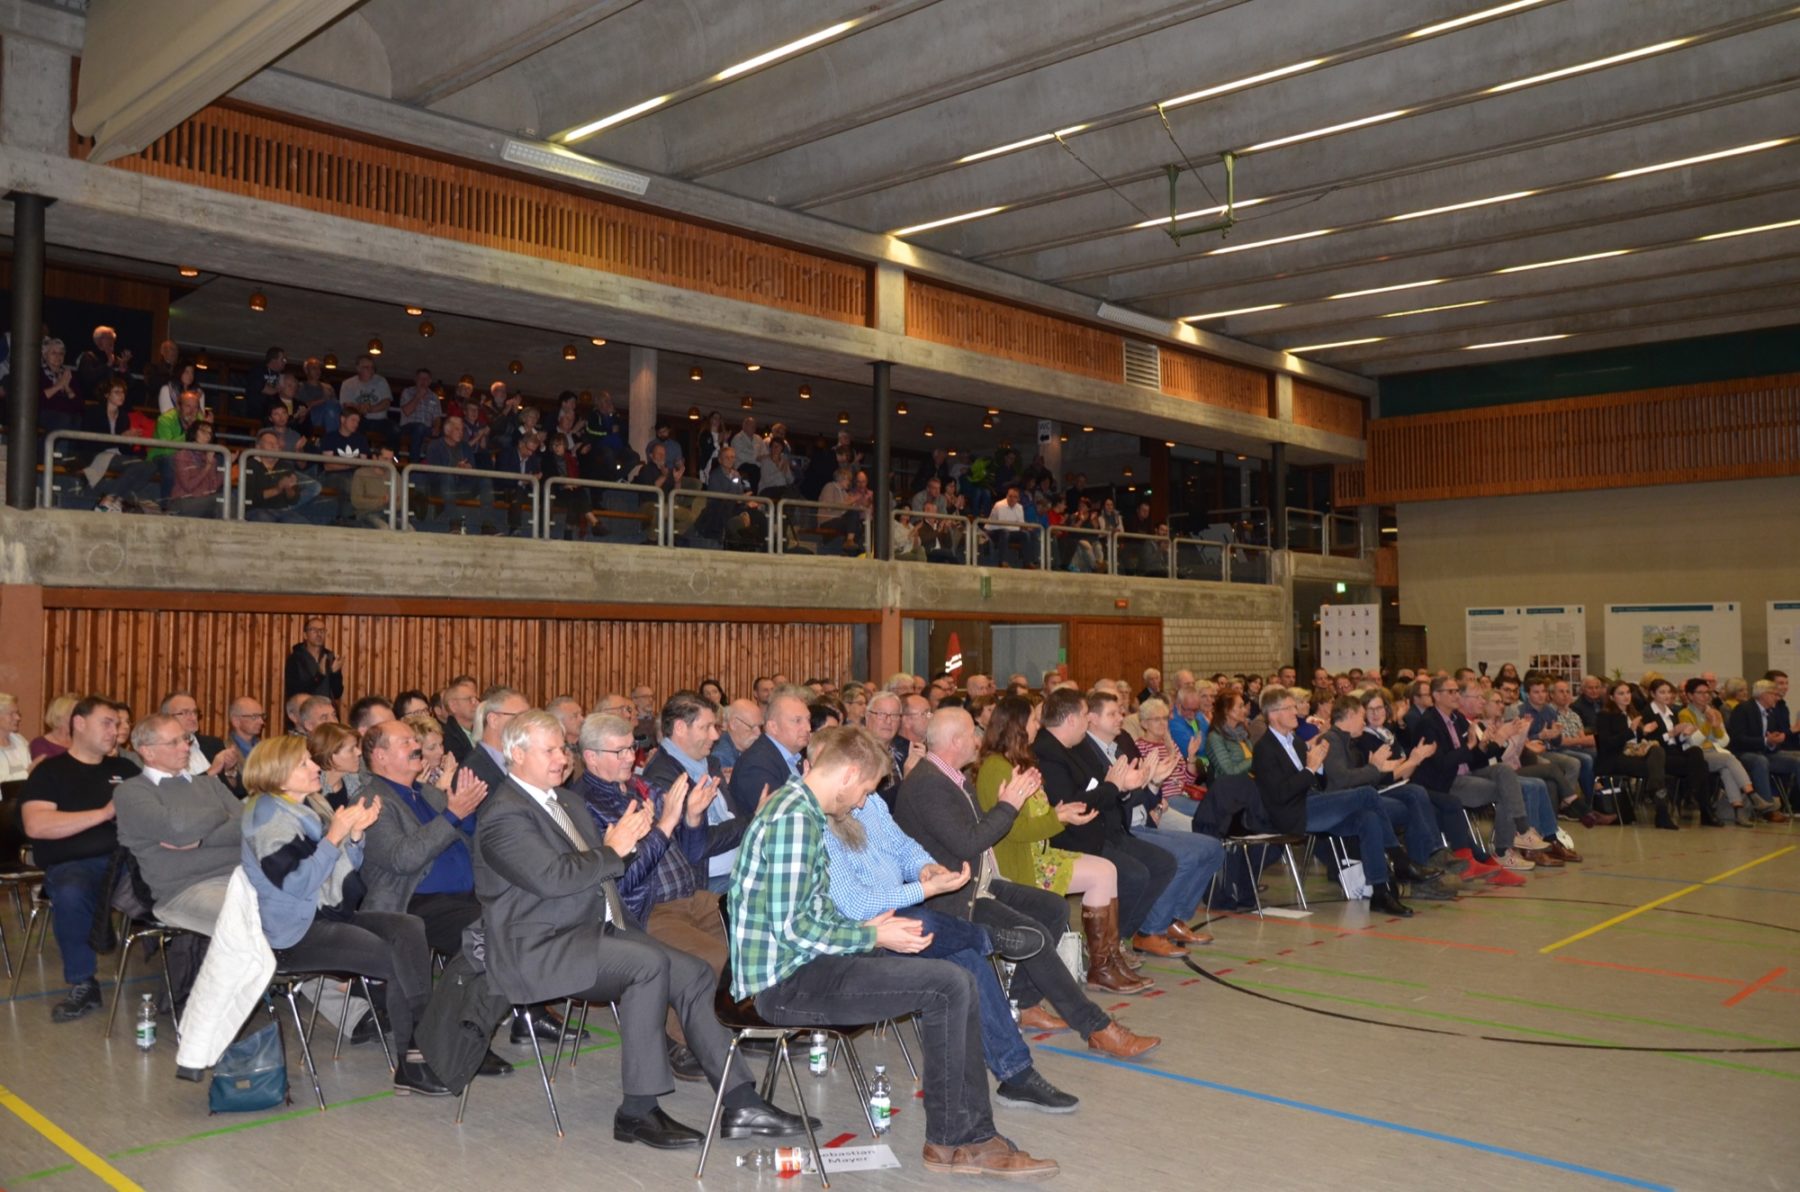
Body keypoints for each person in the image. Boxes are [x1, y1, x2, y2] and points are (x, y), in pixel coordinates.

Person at [729, 726, 1060, 1178]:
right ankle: (961, 1138)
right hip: (787, 982)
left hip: (816, 960)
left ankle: (963, 1137)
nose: (861, 802)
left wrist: (870, 929)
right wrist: (873, 937)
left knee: (957, 972)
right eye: (865, 790)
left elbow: (811, 913)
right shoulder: (793, 819)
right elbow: (794, 929)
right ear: (848, 774)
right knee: (947, 986)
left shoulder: (802, 810)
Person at [474, 710, 807, 1147]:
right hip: (540, 947)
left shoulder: (565, 802)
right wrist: (615, 849)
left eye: (562, 748)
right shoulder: (504, 814)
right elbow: (554, 879)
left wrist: (634, 843)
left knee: (693, 972)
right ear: (517, 755)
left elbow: (603, 871)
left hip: (593, 931)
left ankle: (741, 1101)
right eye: (550, 750)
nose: (562, 758)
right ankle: (637, 1111)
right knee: (647, 964)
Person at [819, 744, 1082, 1112]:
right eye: (864, 789)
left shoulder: (868, 803)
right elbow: (856, 906)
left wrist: (925, 868)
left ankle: (1017, 1075)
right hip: (855, 937)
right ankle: (990, 939)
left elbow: (903, 846)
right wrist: (923, 889)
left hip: (893, 915)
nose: (866, 800)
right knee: (928, 924)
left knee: (963, 954)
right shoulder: (816, 823)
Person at [239, 736, 450, 1094]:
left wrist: (353, 836)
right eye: (305, 763)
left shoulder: (305, 807)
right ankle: (413, 1063)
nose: (316, 767)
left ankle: (420, 1045)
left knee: (407, 927)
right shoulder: (267, 818)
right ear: (279, 774)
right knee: (397, 956)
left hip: (324, 914)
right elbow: (297, 884)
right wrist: (334, 837)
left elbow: (338, 872)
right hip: (292, 934)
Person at [574, 710, 738, 1079]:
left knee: (749, 933)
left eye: (630, 749)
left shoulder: (640, 787)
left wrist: (692, 818)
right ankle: (679, 1040)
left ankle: (734, 1024)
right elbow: (620, 883)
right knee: (712, 957)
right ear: (591, 757)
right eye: (618, 752)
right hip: (647, 910)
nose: (629, 758)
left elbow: (692, 851)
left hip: (691, 895)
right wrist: (664, 826)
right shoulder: (585, 806)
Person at [973, 697, 1151, 997]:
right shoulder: (996, 768)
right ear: (1017, 726)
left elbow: (1035, 817)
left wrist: (1062, 814)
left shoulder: (1015, 762)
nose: (1038, 725)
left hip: (1037, 853)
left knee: (1107, 870)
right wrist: (1058, 818)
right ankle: (1102, 966)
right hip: (1018, 863)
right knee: (1102, 874)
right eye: (1033, 720)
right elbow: (1012, 830)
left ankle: (1107, 960)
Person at [1030, 690, 1176, 969]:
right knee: (1134, 875)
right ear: (1071, 719)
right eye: (1085, 715)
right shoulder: (1047, 752)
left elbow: (1101, 788)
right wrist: (1115, 786)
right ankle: (1105, 946)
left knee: (1163, 863)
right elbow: (1073, 804)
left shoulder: (1075, 747)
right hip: (1072, 837)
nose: (1087, 721)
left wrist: (1125, 786)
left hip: (1102, 828)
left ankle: (1118, 937)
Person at [20, 698, 138, 1021]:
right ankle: (84, 982)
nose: (115, 730)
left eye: (117, 724)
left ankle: (189, 973)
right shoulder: (50, 772)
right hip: (76, 864)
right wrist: (104, 813)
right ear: (79, 723)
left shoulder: (126, 770)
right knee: (71, 889)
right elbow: (36, 825)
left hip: (129, 861)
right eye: (107, 723)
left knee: (180, 875)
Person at [1252, 687, 1416, 916]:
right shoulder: (1264, 749)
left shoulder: (1296, 742)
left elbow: (1315, 782)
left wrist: (1318, 766)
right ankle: (1400, 859)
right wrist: (1310, 768)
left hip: (1311, 801)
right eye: (1289, 708)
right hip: (1291, 813)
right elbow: (1281, 794)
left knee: (1368, 818)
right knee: (1367, 794)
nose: (1295, 712)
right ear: (1273, 714)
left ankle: (1380, 892)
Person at [112, 714, 243, 933]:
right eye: (174, 742)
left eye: (185, 739)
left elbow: (246, 827)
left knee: (297, 903)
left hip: (241, 875)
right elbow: (177, 829)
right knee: (251, 917)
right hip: (185, 890)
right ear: (147, 751)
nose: (185, 747)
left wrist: (200, 840)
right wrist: (222, 814)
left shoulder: (210, 784)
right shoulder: (131, 792)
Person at [1679, 678, 1781, 824]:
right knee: (1729, 759)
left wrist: (1715, 727)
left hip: (1716, 753)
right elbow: (1694, 742)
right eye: (1700, 693)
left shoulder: (1714, 712)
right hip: (1696, 755)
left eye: (1707, 692)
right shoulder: (1685, 714)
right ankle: (1752, 795)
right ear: (1690, 695)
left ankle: (1738, 810)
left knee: (1727, 769)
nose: (1705, 696)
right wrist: (1708, 724)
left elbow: (1724, 741)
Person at [1594, 681, 1679, 831]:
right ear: (1612, 697)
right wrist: (1630, 731)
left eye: (1628, 692)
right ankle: (1661, 809)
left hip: (1634, 754)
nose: (1626, 696)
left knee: (1657, 751)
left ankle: (1659, 802)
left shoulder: (1633, 713)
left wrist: (1644, 731)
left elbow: (1638, 740)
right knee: (1656, 769)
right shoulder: (1605, 715)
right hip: (1615, 757)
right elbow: (1607, 744)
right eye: (1621, 693)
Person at [726, 686, 809, 820]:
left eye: (808, 720)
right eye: (797, 721)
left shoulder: (796, 758)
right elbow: (781, 818)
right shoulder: (756, 765)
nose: (808, 728)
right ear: (773, 727)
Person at [1726, 679, 1800, 811]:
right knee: (1760, 761)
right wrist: (1766, 741)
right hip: (1743, 753)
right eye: (1774, 694)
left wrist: (1775, 741)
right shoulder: (1743, 709)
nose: (1777, 698)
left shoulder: (1771, 712)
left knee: (1797, 761)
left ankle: (1796, 805)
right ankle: (1768, 809)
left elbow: (1772, 739)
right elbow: (1738, 739)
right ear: (1763, 695)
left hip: (1765, 753)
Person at [285, 617, 344, 704]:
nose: (319, 634)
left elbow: (337, 694)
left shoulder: (330, 657)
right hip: (304, 710)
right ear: (305, 635)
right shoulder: (295, 659)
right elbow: (294, 692)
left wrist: (335, 674)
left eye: (322, 630)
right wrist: (319, 676)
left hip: (326, 708)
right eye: (314, 630)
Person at [0, 692, 32, 782]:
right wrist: (27, 773)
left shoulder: (20, 740)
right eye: (11, 714)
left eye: (17, 713)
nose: (18, 718)